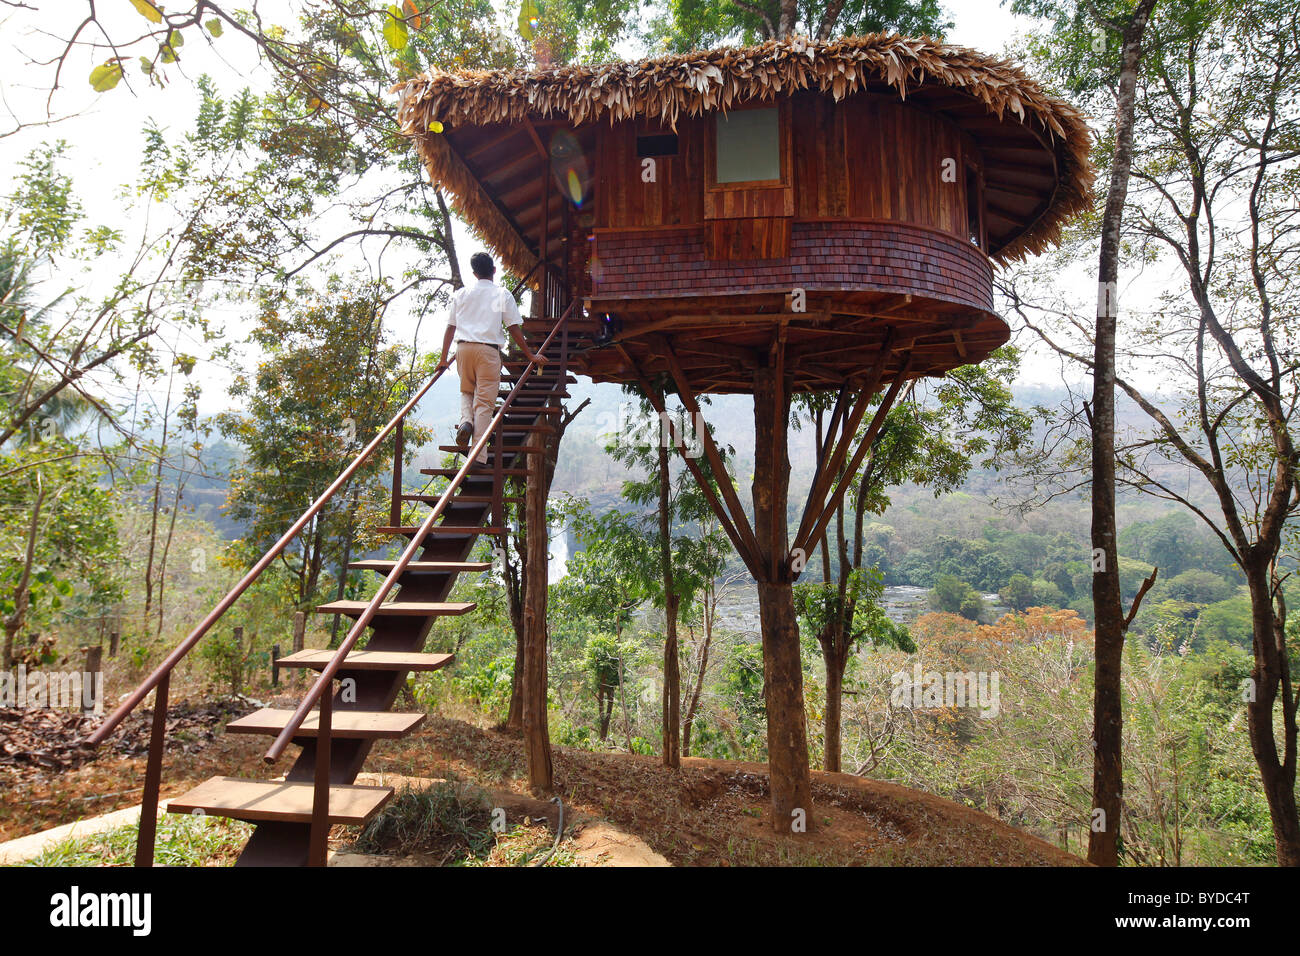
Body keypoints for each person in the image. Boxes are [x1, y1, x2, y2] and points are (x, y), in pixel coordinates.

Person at [436, 252, 547, 465]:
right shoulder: (502, 294)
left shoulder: (461, 294)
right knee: (485, 404)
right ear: (494, 270)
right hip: (488, 351)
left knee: (467, 390)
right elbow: (513, 327)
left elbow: (450, 327)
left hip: (463, 349)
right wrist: (529, 355)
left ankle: (466, 421)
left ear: (474, 273)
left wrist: (443, 359)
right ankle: (477, 457)